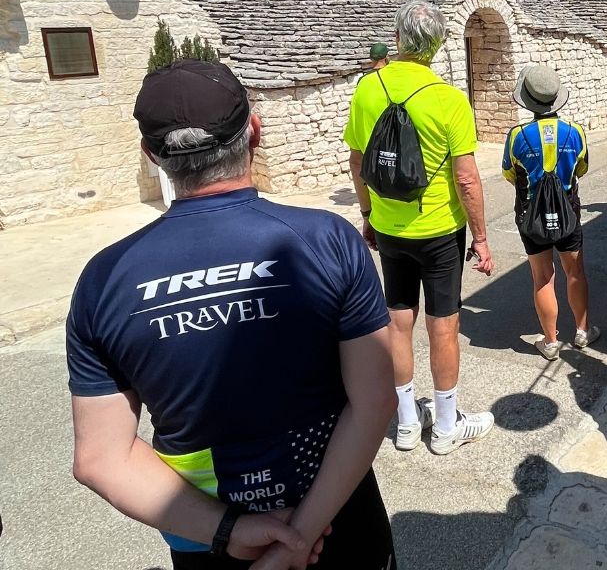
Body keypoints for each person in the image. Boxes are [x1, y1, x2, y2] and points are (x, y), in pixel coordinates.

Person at [68, 59, 396, 569]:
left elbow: (100, 459)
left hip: (207, 540)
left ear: (152, 154)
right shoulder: (329, 241)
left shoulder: (102, 280)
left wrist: (232, 532)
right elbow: (375, 400)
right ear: (255, 132)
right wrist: (299, 537)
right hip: (337, 522)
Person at [344, 0, 496, 456]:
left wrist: (368, 214)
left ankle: (408, 422)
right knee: (443, 326)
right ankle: (447, 425)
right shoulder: (449, 100)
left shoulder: (367, 90)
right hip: (439, 231)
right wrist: (482, 239)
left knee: (398, 321)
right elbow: (466, 179)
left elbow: (357, 163)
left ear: (397, 39)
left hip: (390, 228)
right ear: (438, 45)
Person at [502, 65, 600, 361]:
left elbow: (509, 173)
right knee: (575, 272)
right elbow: (581, 168)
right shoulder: (575, 132)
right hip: (568, 212)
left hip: (531, 215)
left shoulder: (517, 135)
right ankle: (582, 331)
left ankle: (550, 340)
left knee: (543, 277)